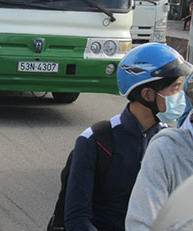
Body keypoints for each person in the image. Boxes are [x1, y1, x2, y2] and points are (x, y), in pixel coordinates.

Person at [64, 43, 192, 231]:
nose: (181, 97)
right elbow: (76, 220)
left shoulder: (173, 144)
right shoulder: (95, 141)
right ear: (147, 94)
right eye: (175, 88)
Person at [125, 81, 193, 229]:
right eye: (174, 88)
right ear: (147, 94)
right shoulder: (166, 149)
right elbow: (140, 223)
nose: (178, 95)